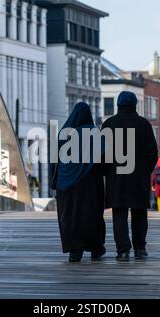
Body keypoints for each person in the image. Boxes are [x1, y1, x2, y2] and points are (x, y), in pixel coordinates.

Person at [102, 91, 158, 261]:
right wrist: (145, 170)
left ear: (118, 105)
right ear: (135, 105)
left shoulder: (108, 124)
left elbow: (101, 154)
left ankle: (123, 250)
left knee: (119, 213)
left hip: (116, 178)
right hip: (138, 177)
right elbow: (153, 153)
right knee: (139, 213)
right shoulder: (144, 124)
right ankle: (140, 249)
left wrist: (108, 172)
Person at [51, 102, 106, 262]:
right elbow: (104, 159)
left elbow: (55, 161)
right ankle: (95, 248)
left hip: (65, 184)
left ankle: (74, 250)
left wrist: (56, 181)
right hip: (90, 184)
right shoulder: (94, 133)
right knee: (91, 215)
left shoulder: (64, 133)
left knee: (69, 216)